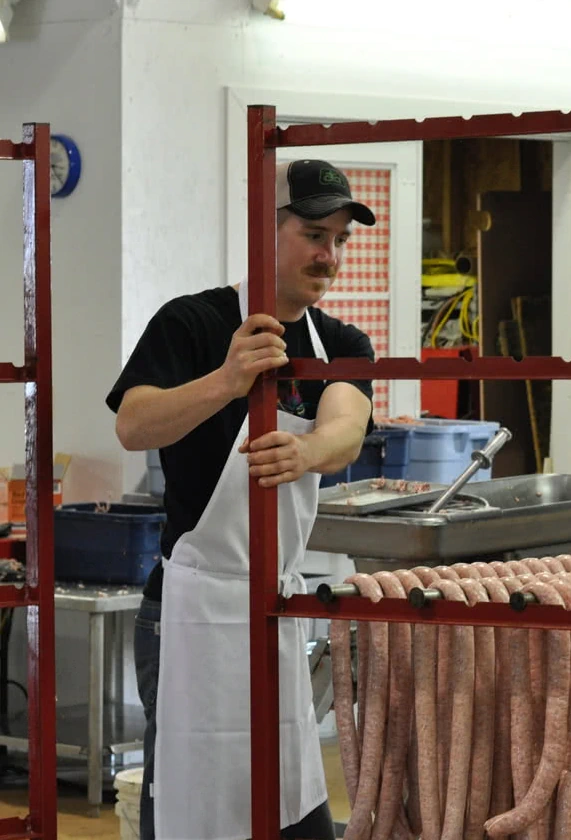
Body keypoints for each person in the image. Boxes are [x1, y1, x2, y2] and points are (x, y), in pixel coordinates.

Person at [108, 159, 378, 840]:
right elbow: (134, 422)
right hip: (188, 604)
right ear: (267, 229)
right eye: (316, 234)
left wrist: (307, 451)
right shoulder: (191, 323)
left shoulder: (340, 344)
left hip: (275, 603)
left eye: (341, 240)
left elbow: (344, 428)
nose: (329, 255)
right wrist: (227, 381)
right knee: (183, 796)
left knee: (288, 787)